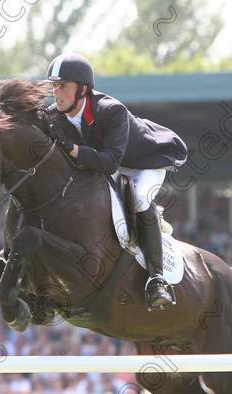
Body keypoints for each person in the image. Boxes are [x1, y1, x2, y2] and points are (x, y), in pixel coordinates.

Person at [46, 52, 188, 310]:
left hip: (143, 163)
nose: (56, 93)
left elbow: (110, 162)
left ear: (83, 89)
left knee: (140, 198)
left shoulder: (111, 111)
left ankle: (157, 279)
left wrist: (74, 151)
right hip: (104, 165)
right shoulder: (53, 115)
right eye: (54, 86)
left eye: (63, 86)